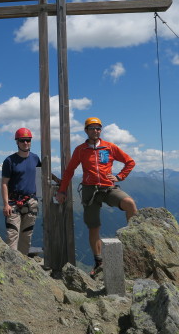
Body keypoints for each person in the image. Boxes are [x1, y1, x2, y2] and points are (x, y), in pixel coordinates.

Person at [56, 117, 137, 277]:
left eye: (98, 128)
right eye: (92, 128)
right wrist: (62, 191)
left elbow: (130, 162)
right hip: (89, 190)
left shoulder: (110, 147)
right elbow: (69, 171)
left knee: (129, 203)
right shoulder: (80, 150)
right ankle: (99, 261)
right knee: (94, 227)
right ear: (86, 130)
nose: (95, 131)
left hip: (108, 188)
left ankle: (134, 242)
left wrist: (120, 176)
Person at [1, 127, 41, 255]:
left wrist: (58, 180)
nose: (26, 143)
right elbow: (4, 183)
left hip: (31, 202)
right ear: (17, 142)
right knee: (12, 236)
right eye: (22, 140)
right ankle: (11, 267)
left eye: (28, 140)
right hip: (13, 203)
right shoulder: (9, 161)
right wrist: (6, 204)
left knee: (26, 237)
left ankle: (23, 269)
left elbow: (42, 174)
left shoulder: (35, 159)